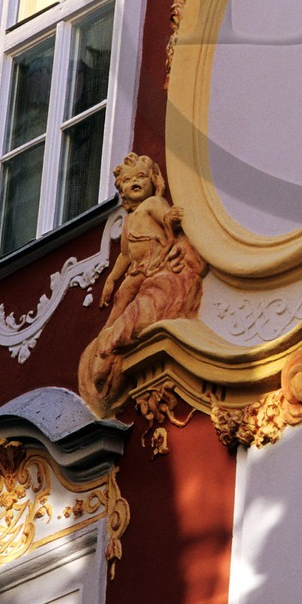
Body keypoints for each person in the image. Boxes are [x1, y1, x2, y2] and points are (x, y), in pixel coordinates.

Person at [78, 154, 207, 416]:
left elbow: (165, 215)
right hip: (138, 269)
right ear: (122, 191)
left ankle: (110, 343)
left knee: (134, 303)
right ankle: (109, 329)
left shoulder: (152, 204)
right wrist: (112, 279)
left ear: (154, 181)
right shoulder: (128, 221)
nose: (134, 183)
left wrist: (171, 216)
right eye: (127, 181)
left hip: (157, 264)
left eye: (140, 177)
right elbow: (125, 255)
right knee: (122, 295)